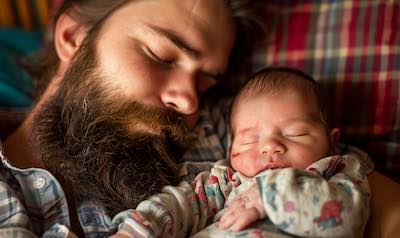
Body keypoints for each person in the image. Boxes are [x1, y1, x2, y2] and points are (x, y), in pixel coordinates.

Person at [0, 0, 265, 237]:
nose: (188, 102)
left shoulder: (224, 142)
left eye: (204, 85)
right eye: (161, 57)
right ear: (74, 37)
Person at [111, 67, 373, 238]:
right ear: (231, 150)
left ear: (331, 141)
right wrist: (138, 228)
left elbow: (347, 219)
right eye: (249, 140)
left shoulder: (337, 173)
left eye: (295, 134)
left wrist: (269, 196)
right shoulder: (225, 183)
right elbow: (179, 206)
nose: (270, 146)